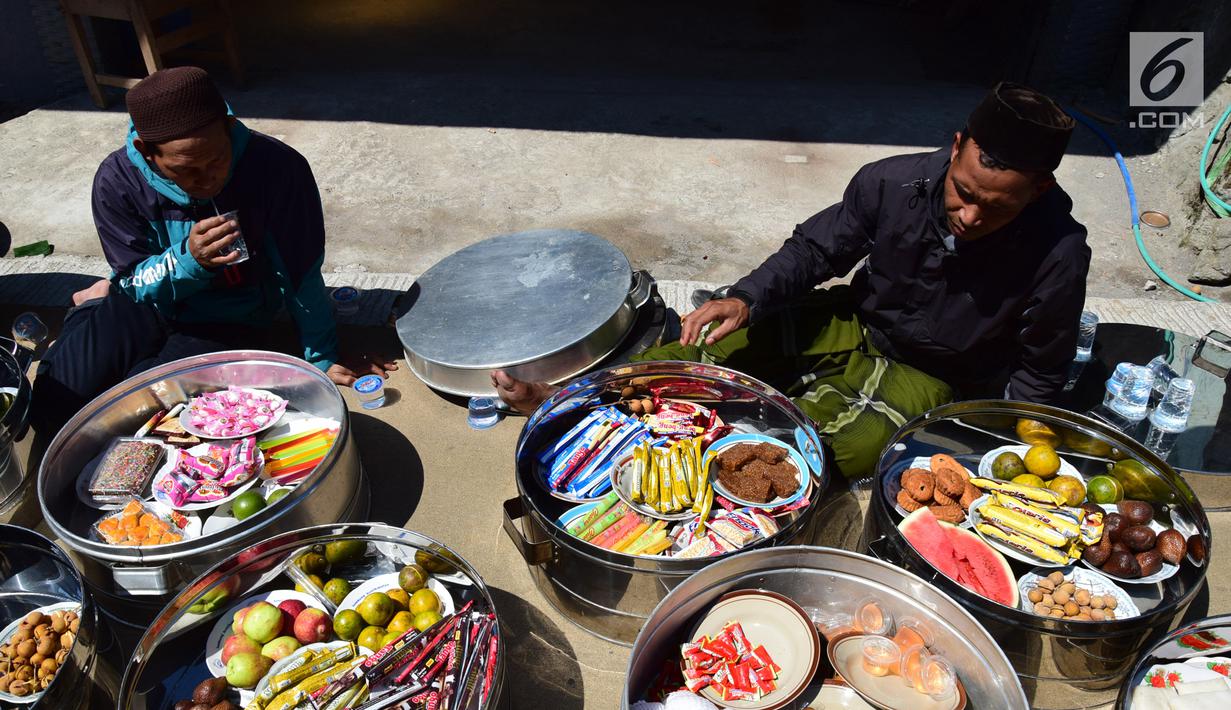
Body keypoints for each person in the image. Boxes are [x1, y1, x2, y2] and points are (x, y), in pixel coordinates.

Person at [495, 82, 1089, 478]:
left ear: (1038, 190)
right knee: (706, 350)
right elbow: (817, 249)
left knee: (834, 448)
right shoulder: (890, 181)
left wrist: (1015, 449)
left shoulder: (1059, 252)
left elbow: (1041, 367)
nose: (971, 217)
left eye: (997, 209)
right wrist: (746, 297)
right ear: (957, 147)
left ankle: (708, 463)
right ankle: (565, 403)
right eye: (963, 194)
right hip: (856, 322)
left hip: (933, 372)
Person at [31, 67, 395, 436]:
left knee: (127, 418)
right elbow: (134, 282)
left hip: (226, 319)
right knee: (51, 409)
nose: (208, 179)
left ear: (230, 126)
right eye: (186, 169)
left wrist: (321, 355)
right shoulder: (118, 180)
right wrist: (189, 261)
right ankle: (91, 307)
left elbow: (301, 271)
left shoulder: (278, 167)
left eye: (217, 159)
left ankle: (101, 307)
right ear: (146, 151)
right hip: (141, 305)